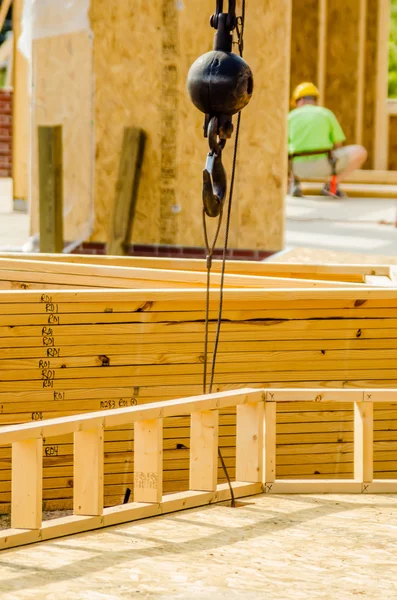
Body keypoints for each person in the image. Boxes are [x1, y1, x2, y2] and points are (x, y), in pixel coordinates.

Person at [288, 82, 367, 198]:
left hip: (297, 168)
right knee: (360, 151)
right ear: (315, 100)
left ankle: (294, 184)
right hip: (326, 166)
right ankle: (332, 185)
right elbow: (338, 145)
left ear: (300, 101)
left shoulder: (290, 116)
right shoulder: (326, 114)